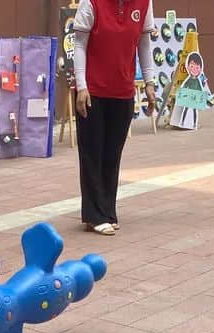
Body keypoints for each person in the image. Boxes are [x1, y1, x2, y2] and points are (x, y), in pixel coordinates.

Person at [73, 0, 157, 236]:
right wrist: (81, 86)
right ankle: (94, 215)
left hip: (123, 92)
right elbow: (79, 44)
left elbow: (144, 44)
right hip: (92, 92)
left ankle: (108, 212)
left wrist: (149, 83)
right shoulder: (92, 3)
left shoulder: (144, 3)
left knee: (112, 155)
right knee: (92, 154)